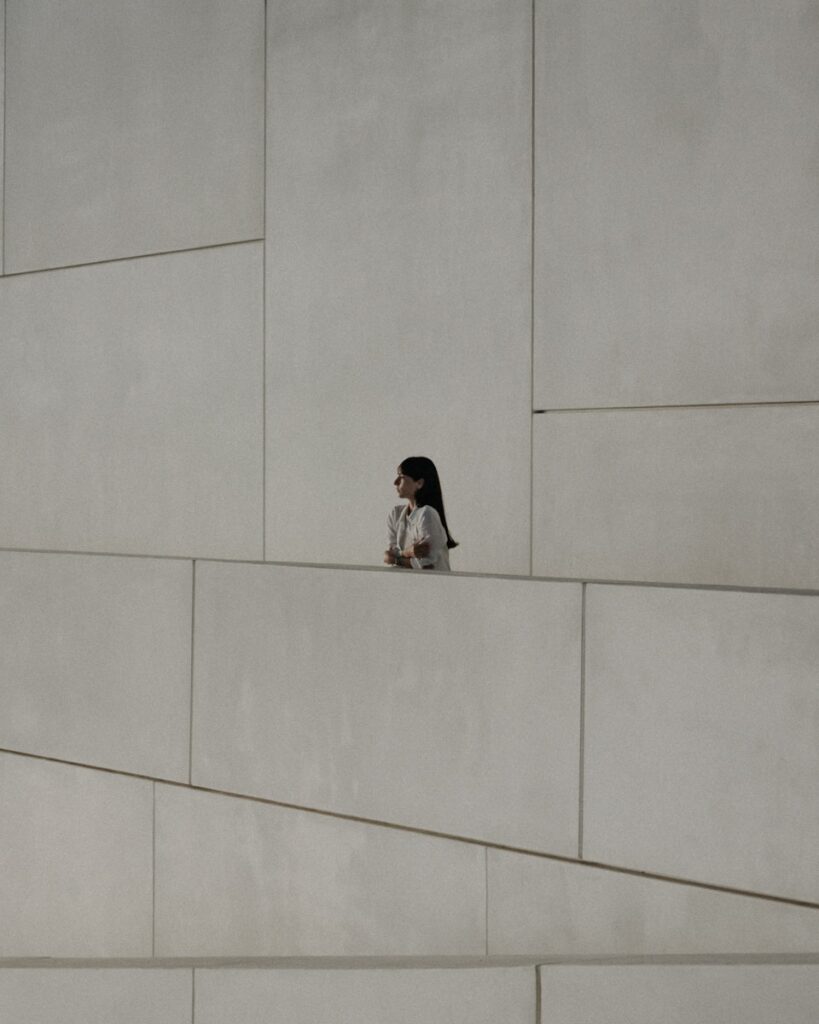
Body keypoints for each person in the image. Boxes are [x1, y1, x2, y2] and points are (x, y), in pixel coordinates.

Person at [384, 456, 458, 571]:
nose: (395, 482)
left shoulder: (427, 514)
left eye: (401, 477)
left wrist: (397, 558)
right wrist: (409, 552)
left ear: (419, 483)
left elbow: (426, 564)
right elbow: (389, 554)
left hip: (437, 585)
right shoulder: (395, 514)